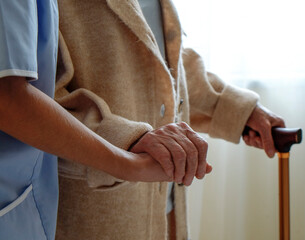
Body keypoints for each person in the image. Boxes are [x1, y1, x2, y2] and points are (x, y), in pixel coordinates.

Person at [54, 0, 285, 240]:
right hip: (97, 216)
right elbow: (36, 102)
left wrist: (236, 108)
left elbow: (162, 62)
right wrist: (127, 141)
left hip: (168, 209)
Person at [0, 1, 197, 239]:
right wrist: (129, 159)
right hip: (75, 205)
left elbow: (168, 62)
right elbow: (10, 98)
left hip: (160, 198)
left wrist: (238, 109)